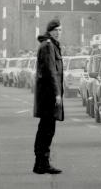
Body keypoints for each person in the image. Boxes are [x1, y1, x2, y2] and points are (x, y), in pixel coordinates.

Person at [33, 19, 64, 174]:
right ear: (50, 31)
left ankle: (41, 163)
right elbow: (51, 71)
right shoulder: (48, 46)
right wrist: (57, 93)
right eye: (56, 30)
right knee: (46, 130)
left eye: (60, 30)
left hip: (48, 94)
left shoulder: (50, 45)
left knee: (47, 129)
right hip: (48, 96)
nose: (59, 32)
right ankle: (41, 164)